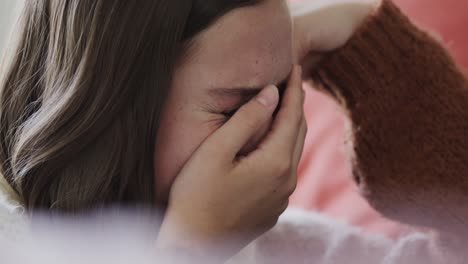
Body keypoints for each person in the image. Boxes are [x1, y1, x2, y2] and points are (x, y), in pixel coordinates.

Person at [0, 0, 466, 263]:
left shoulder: (280, 248)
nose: (277, 150)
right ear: (113, 101)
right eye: (236, 109)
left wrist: (372, 46)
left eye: (279, 96)